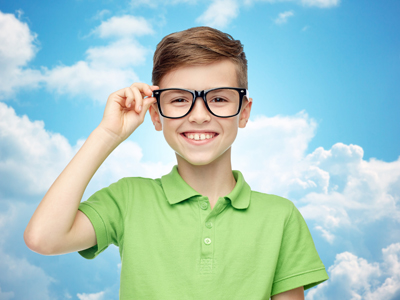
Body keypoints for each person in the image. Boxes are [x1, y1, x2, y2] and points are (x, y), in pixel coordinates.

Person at [24, 26, 329, 299]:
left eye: (219, 99)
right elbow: (43, 238)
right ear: (155, 114)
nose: (199, 115)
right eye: (180, 100)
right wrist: (107, 134)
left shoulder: (280, 217)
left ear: (244, 112)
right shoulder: (128, 199)